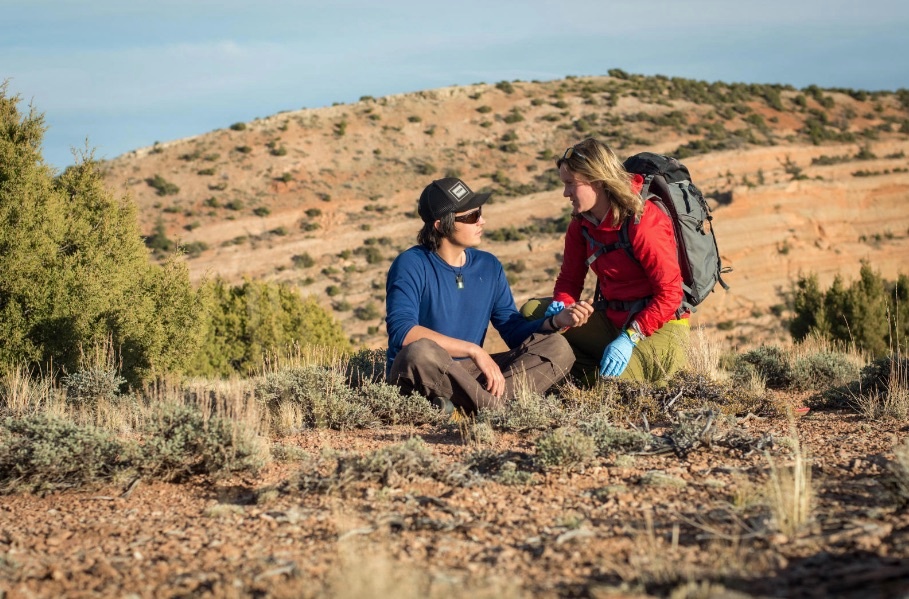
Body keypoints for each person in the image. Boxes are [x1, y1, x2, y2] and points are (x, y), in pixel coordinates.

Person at [385, 177, 592, 415]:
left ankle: (471, 405)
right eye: (472, 216)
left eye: (480, 212)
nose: (481, 221)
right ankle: (496, 410)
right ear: (441, 226)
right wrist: (474, 351)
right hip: (428, 371)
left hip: (471, 375)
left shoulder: (488, 266)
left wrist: (555, 321)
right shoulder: (411, 263)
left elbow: (513, 331)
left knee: (557, 346)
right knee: (418, 352)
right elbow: (403, 332)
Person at [522, 138, 690, 384]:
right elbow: (569, 280)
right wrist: (562, 305)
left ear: (597, 181)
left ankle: (600, 376)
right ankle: (584, 372)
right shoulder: (582, 224)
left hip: (660, 327)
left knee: (610, 390)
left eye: (570, 184)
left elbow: (670, 294)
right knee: (532, 313)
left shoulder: (643, 222)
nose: (565, 193)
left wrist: (630, 337)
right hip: (612, 318)